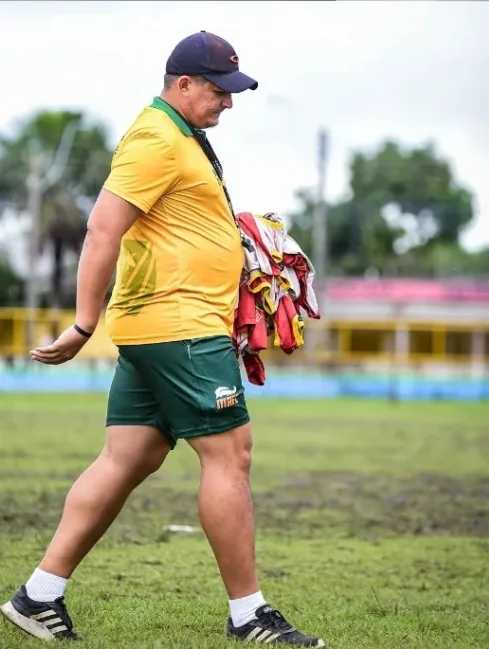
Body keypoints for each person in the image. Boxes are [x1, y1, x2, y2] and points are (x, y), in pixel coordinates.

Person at [0, 32, 324, 647]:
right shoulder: (155, 137)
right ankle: (249, 614)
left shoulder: (182, 140)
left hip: (166, 326)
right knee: (231, 456)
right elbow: (102, 230)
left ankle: (37, 596)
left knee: (130, 457)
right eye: (219, 90)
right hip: (180, 327)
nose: (228, 102)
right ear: (183, 84)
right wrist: (82, 324)